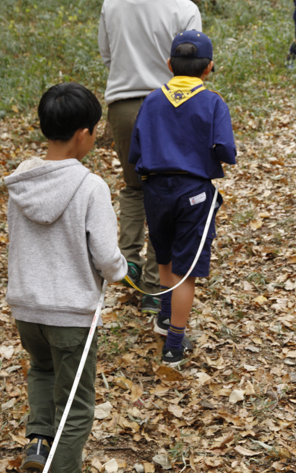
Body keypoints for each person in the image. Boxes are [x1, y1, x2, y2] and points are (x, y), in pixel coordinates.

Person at [4, 82, 127, 473]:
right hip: (72, 316)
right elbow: (107, 256)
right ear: (83, 134)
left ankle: (38, 444)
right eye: (95, 130)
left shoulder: (20, 183)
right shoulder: (91, 187)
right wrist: (122, 272)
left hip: (27, 310)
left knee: (42, 369)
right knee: (77, 407)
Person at [98, 0, 202, 315]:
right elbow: (190, 70)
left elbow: (107, 57)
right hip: (169, 106)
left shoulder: (113, 2)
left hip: (122, 106)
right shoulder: (184, 8)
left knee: (132, 187)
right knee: (166, 191)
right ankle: (156, 286)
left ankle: (127, 262)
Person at [129, 30, 237, 366]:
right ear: (209, 68)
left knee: (162, 255)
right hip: (193, 193)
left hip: (155, 189)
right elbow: (226, 151)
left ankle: (163, 317)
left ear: (168, 64)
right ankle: (174, 345)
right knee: (185, 269)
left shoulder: (151, 99)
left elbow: (136, 150)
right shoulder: (213, 102)